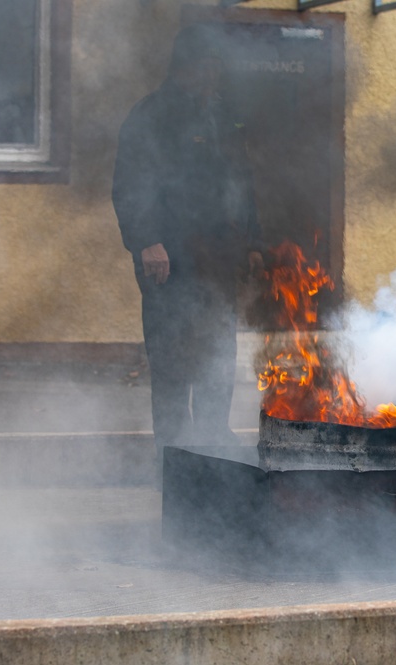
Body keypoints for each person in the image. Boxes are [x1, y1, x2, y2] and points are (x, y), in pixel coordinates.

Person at [112, 24, 262, 460]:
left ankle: (214, 443)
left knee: (217, 353)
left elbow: (242, 183)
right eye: (207, 66)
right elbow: (130, 185)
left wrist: (252, 241)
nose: (214, 75)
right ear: (185, 67)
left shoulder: (222, 114)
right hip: (170, 258)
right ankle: (174, 454)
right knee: (174, 358)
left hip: (217, 258)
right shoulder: (150, 115)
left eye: (217, 66)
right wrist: (146, 241)